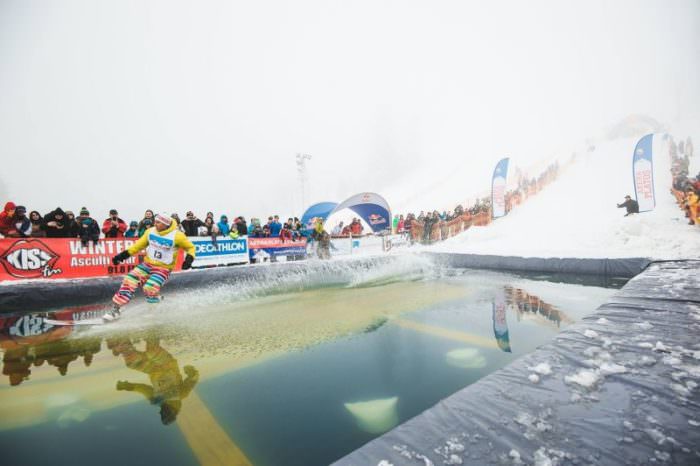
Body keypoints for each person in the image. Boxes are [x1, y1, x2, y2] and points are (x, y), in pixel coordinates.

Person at [106, 214, 196, 321]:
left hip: (163, 268)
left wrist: (188, 259)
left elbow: (190, 247)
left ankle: (154, 311)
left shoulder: (178, 236)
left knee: (149, 287)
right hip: (147, 265)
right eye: (155, 221)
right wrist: (122, 256)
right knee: (129, 279)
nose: (155, 224)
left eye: (158, 222)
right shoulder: (150, 232)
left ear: (165, 224)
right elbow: (138, 246)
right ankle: (116, 309)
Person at [109, 334, 199, 425]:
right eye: (165, 414)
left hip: (152, 369)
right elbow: (191, 381)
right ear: (173, 411)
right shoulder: (180, 394)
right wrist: (191, 372)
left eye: (162, 414)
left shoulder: (156, 400)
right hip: (167, 364)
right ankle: (152, 333)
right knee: (152, 352)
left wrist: (128, 386)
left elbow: (144, 389)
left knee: (132, 362)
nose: (162, 412)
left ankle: (123, 344)